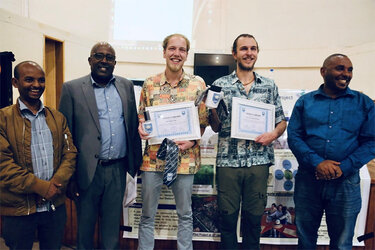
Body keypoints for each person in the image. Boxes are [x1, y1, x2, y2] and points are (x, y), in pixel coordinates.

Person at [59, 42, 142, 249]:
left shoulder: (125, 86)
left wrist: (134, 164)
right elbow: (64, 135)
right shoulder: (72, 89)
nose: (104, 61)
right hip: (87, 171)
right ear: (90, 60)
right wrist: (69, 176)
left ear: (115, 63)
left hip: (117, 169)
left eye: (109, 57)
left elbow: (131, 125)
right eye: (99, 56)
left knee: (111, 229)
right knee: (85, 230)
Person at [287, 53, 375, 249]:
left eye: (350, 69)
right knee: (305, 239)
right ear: (323, 72)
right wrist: (317, 162)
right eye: (340, 68)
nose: (346, 73)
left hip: (346, 183)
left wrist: (343, 167)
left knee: (342, 242)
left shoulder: (364, 103)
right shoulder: (305, 102)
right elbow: (294, 136)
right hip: (309, 182)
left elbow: (371, 142)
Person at [209, 33, 287, 249]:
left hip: (258, 162)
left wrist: (273, 134)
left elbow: (281, 122)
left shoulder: (269, 86)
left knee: (253, 221)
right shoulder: (220, 84)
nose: (249, 53)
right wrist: (211, 109)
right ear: (235, 54)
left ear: (257, 53)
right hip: (228, 162)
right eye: (244, 49)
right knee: (227, 219)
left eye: (253, 48)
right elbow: (215, 126)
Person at [137, 33, 208, 250]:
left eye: (182, 50)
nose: (176, 54)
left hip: (185, 161)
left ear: (187, 55)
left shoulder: (198, 84)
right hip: (153, 161)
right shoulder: (150, 83)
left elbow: (202, 122)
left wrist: (192, 142)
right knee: (148, 214)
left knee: (185, 214)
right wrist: (142, 127)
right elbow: (142, 115)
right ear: (164, 52)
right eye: (172, 49)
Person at [0, 61, 77, 249]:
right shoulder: (3, 119)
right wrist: (41, 187)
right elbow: (3, 165)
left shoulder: (57, 118)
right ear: (15, 82)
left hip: (53, 207)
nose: (36, 85)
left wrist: (56, 184)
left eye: (41, 80)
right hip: (19, 209)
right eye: (29, 80)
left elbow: (70, 154)